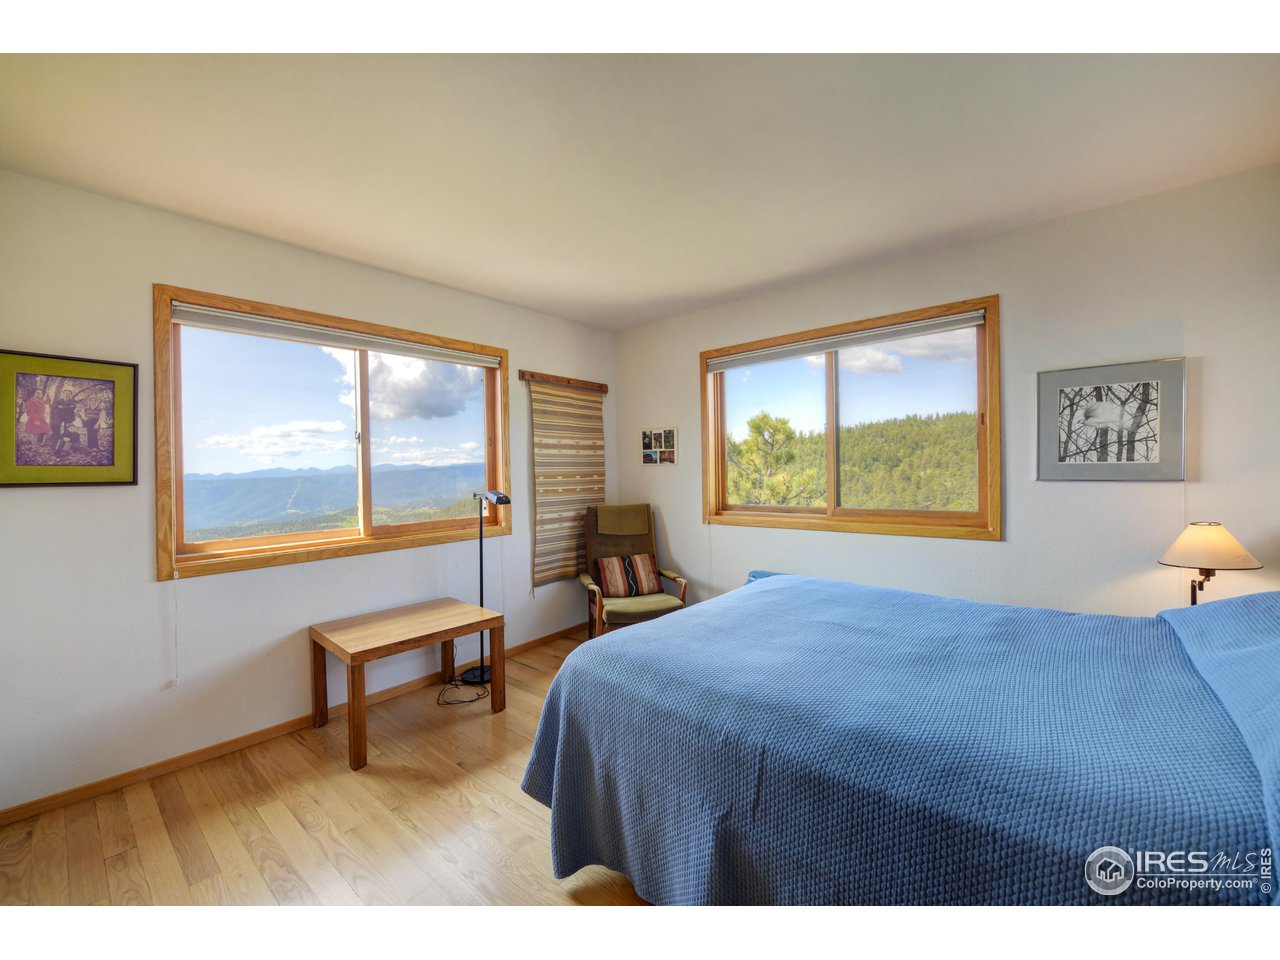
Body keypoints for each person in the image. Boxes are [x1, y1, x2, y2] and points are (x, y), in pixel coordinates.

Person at [51, 387, 77, 455]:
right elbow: (55, 407)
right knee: (56, 425)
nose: (67, 394)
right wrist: (68, 407)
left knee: (68, 429)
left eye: (69, 394)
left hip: (69, 417)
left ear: (70, 395)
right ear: (63, 394)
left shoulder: (73, 401)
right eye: (66, 393)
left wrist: (62, 407)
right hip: (60, 416)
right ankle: (57, 439)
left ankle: (67, 443)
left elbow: (73, 407)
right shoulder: (58, 401)